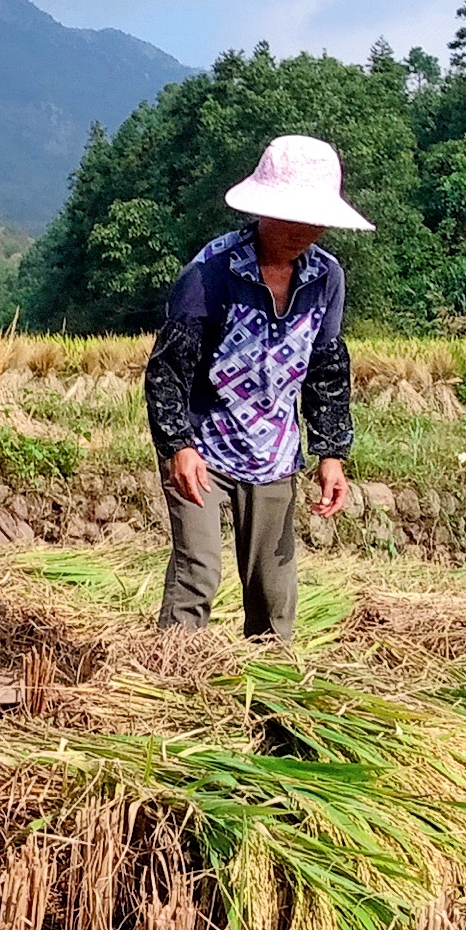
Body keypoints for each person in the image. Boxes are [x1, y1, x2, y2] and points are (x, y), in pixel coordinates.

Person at [144, 133, 364, 639]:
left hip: (274, 452)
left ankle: (269, 699)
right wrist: (178, 445)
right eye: (293, 216)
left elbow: (327, 367)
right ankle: (176, 683)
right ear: (264, 210)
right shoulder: (212, 272)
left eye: (314, 220)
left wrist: (331, 453)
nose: (304, 231)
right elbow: (168, 368)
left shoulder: (326, 277)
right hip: (203, 445)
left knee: (272, 589)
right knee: (196, 574)